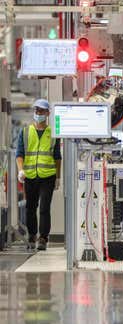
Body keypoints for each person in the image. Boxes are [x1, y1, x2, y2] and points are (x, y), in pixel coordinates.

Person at [16, 99, 62, 251]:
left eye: (41, 111)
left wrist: (58, 177)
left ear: (48, 113)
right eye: (36, 110)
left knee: (44, 207)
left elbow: (57, 156)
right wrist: (21, 170)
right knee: (30, 207)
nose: (38, 113)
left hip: (48, 176)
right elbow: (19, 154)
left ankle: (43, 238)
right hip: (30, 175)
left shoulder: (53, 133)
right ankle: (32, 235)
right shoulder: (25, 131)